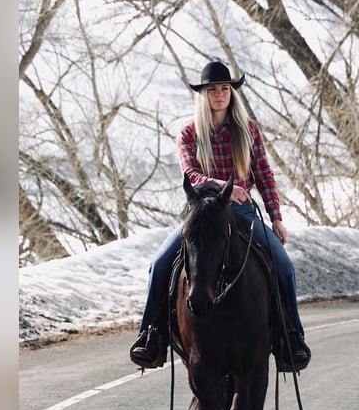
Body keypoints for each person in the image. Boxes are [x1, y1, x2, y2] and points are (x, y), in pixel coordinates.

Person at [129, 61, 310, 371]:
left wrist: (276, 216)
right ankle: (151, 335)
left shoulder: (248, 130)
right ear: (204, 95)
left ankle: (291, 337)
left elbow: (264, 175)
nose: (219, 95)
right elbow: (191, 174)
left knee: (283, 265)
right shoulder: (189, 133)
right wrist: (223, 187)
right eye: (213, 90)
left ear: (231, 93)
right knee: (159, 265)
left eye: (224, 89)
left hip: (240, 212)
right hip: (200, 211)